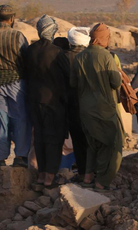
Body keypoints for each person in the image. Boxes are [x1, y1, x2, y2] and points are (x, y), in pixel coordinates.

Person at [70, 23, 124, 191]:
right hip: (104, 108)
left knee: (93, 144)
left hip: (85, 108)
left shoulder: (79, 57)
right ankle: (102, 181)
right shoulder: (106, 56)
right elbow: (115, 82)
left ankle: (87, 177)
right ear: (102, 39)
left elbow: (73, 83)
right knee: (114, 145)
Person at [24, 15, 70, 189]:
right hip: (53, 102)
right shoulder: (56, 52)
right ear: (53, 31)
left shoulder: (30, 50)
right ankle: (50, 177)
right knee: (53, 139)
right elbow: (69, 75)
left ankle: (41, 176)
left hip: (34, 101)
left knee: (40, 138)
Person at [0, 4, 31, 168]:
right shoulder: (17, 35)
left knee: (1, 122)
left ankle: (1, 158)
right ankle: (20, 156)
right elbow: (25, 57)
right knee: (20, 119)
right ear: (12, 19)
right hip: (15, 82)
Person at [65, 27, 91, 182]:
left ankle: (82, 173)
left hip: (69, 105)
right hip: (87, 105)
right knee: (89, 141)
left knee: (77, 140)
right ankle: (91, 174)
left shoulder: (63, 57)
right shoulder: (88, 57)